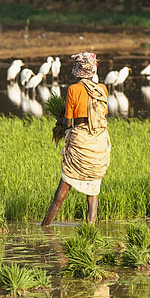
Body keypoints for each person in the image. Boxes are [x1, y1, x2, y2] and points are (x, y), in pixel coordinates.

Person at [41, 52, 111, 226]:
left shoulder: (73, 89)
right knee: (93, 191)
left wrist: (59, 121)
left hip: (80, 144)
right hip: (99, 144)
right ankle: (90, 230)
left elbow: (68, 122)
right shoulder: (102, 89)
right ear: (92, 69)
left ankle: (45, 228)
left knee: (62, 191)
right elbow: (102, 117)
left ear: (77, 70)